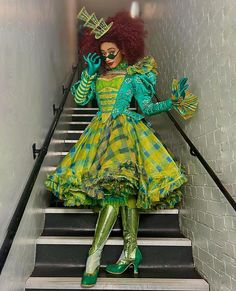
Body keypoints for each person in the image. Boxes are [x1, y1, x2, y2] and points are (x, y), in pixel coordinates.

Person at [44, 7, 197, 288]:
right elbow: (79, 100)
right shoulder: (99, 77)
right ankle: (130, 251)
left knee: (119, 194)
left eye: (111, 52)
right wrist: (88, 75)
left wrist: (172, 103)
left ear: (125, 49)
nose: (107, 58)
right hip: (99, 136)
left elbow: (147, 107)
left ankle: (95, 256)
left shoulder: (134, 76)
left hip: (126, 134)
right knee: (120, 196)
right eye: (103, 54)